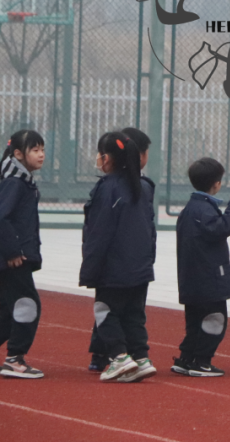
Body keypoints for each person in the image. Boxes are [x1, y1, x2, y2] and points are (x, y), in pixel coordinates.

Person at [80, 130, 157, 382]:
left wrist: (90, 268)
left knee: (105, 309)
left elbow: (98, 233)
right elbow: (150, 230)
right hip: (140, 266)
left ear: (107, 158)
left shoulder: (107, 188)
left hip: (113, 266)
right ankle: (141, 357)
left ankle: (119, 356)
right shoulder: (143, 187)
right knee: (134, 314)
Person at [171, 157, 230, 377]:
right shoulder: (204, 210)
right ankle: (201, 361)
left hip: (191, 279)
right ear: (216, 184)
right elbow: (220, 229)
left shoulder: (189, 209)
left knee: (194, 322)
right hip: (209, 279)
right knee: (215, 320)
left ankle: (187, 358)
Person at [0, 130, 46, 379]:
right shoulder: (15, 182)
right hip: (13, 259)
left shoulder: (23, 181)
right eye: (35, 150)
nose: (41, 155)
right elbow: (2, 217)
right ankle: (14, 359)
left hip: (15, 256)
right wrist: (13, 251)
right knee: (27, 304)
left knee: (7, 310)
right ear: (18, 154)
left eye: (42, 149)